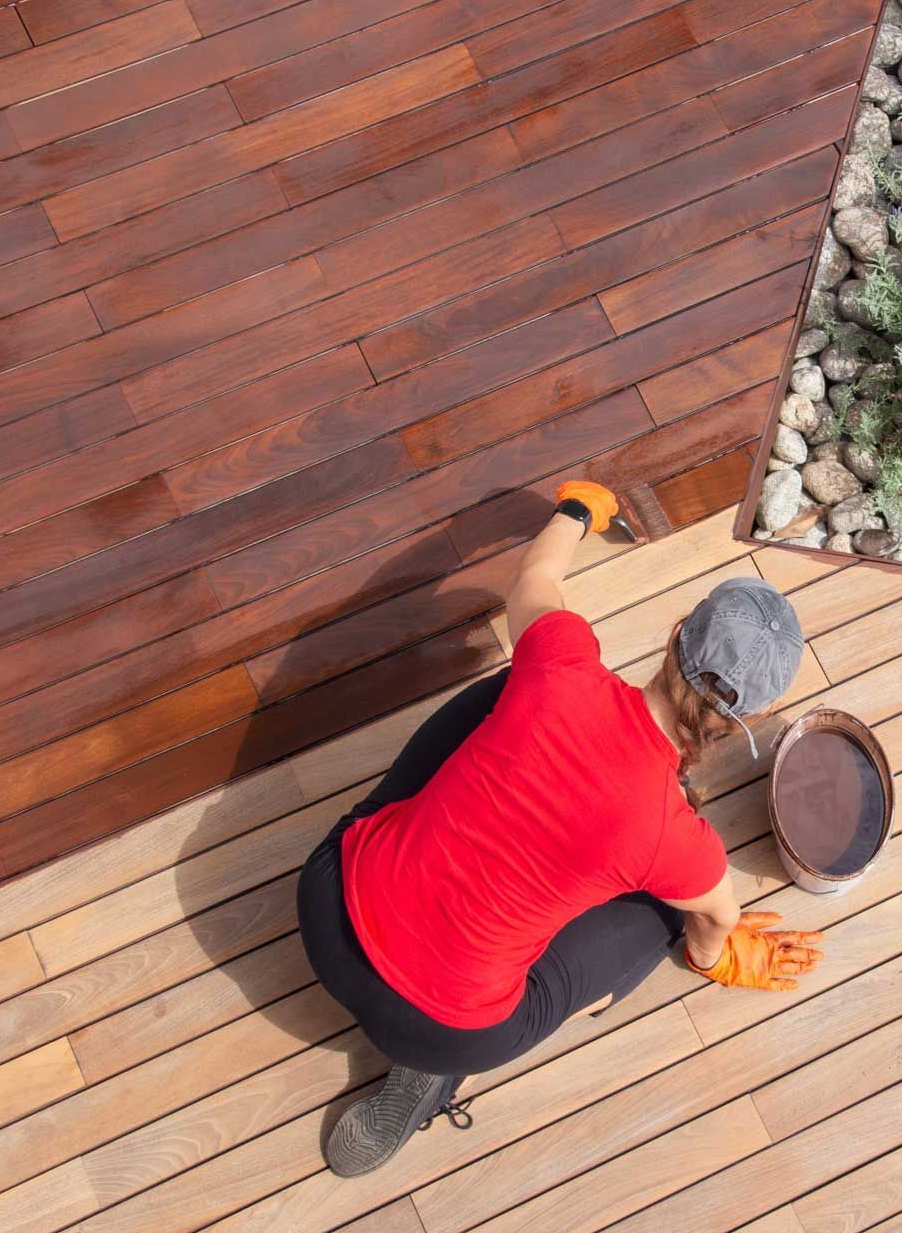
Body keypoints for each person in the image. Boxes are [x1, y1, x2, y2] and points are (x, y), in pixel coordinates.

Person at [295, 479, 826, 1177]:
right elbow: (716, 922)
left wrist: (578, 511)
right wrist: (714, 958)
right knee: (666, 913)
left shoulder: (561, 662)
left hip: (329, 915)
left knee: (510, 688)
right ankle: (434, 1076)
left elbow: (535, 578)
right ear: (745, 723)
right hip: (441, 1031)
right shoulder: (682, 845)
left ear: (676, 635)